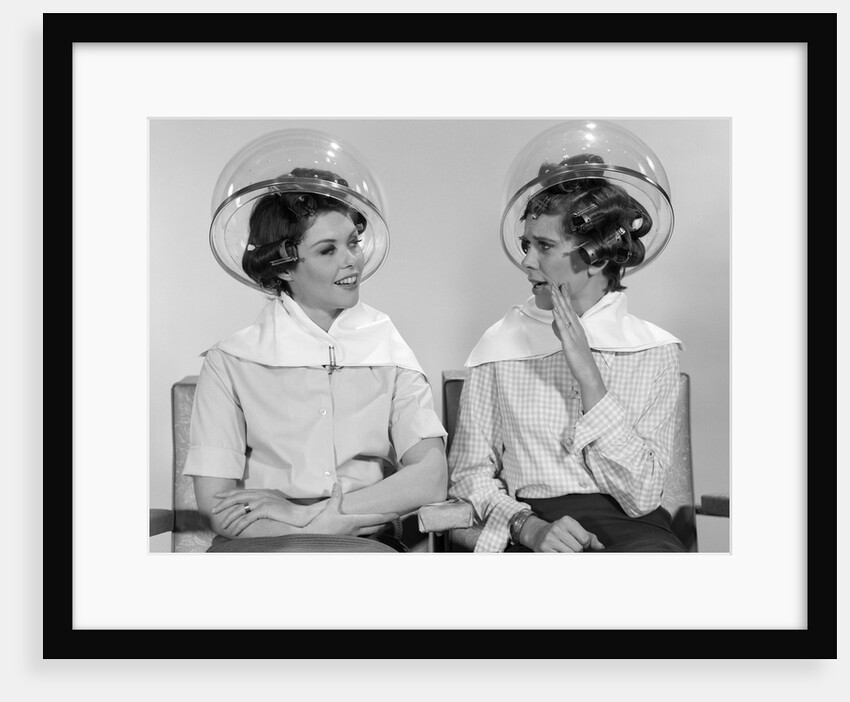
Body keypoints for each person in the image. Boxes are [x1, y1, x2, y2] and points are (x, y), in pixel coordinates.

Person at [183, 130, 447, 552]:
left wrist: (310, 517)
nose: (352, 261)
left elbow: (431, 477)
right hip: (261, 543)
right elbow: (217, 506)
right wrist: (308, 535)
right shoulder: (229, 360)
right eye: (328, 250)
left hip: (364, 541)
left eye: (353, 243)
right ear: (283, 266)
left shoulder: (389, 346)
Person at [448, 121, 686, 553]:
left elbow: (644, 495)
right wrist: (525, 526)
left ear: (595, 257)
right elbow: (468, 476)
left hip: (638, 533)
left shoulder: (656, 351)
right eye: (526, 245)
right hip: (539, 526)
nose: (526, 262)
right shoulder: (498, 346)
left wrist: (590, 380)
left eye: (543, 246)